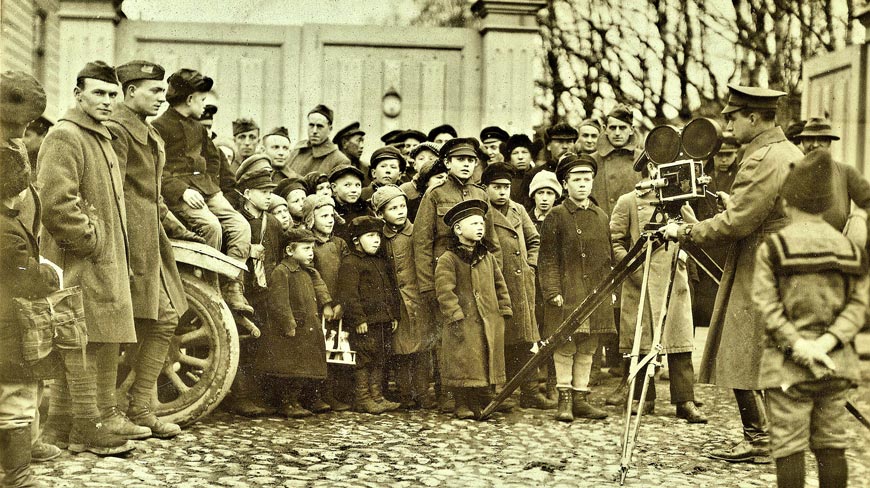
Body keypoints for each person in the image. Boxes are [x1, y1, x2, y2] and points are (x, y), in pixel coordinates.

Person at [660, 85, 804, 463]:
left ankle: (759, 440)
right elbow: (765, 208)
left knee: (737, 347)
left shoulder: (759, 159)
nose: (727, 125)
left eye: (732, 117)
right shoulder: (790, 150)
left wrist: (686, 231)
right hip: (786, 260)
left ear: (754, 118)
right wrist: (733, 205)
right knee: (770, 349)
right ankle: (781, 435)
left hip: (759, 263)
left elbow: (736, 224)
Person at [752, 149, 868, 488]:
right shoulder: (849, 250)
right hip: (836, 363)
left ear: (788, 202)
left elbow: (766, 305)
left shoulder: (774, 248)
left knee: (789, 445)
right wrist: (827, 343)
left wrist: (801, 344)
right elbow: (859, 307)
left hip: (788, 365)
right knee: (832, 444)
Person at [36, 61, 136, 454]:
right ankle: (84, 427)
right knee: (80, 344)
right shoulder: (66, 135)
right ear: (78, 95)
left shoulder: (101, 136)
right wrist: (92, 242)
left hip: (101, 260)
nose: (108, 101)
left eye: (113, 94)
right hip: (78, 260)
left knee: (97, 339)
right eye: (99, 93)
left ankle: (64, 427)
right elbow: (57, 202)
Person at [107, 60, 190, 438]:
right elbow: (113, 192)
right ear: (129, 92)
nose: (161, 97)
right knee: (122, 326)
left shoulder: (145, 131)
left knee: (164, 317)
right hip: (126, 241)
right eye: (154, 90)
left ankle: (139, 407)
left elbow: (152, 195)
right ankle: (110, 411)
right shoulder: (118, 131)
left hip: (149, 238)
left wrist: (179, 227)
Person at [606, 156, 707, 423]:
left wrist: (683, 255)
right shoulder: (627, 201)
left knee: (679, 341)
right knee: (641, 340)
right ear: (647, 169)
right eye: (653, 165)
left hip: (674, 279)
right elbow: (616, 241)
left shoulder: (678, 200)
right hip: (640, 282)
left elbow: (695, 231)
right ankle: (643, 397)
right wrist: (633, 269)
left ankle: (684, 401)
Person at [152, 68, 254, 316]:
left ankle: (232, 285)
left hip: (206, 190)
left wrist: (213, 189)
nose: (204, 105)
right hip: (178, 195)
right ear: (189, 100)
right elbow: (155, 169)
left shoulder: (199, 128)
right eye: (202, 99)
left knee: (241, 226)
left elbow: (213, 160)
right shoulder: (159, 127)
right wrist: (182, 191)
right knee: (210, 226)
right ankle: (208, 288)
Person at [539, 153, 614, 422]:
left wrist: (610, 289)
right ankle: (565, 399)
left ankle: (581, 398)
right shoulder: (556, 216)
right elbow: (547, 259)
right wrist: (552, 291)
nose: (582, 185)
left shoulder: (601, 215)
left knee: (588, 346)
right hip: (567, 292)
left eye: (587, 179)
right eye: (576, 179)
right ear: (565, 183)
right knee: (565, 345)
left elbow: (608, 258)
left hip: (595, 293)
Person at [481, 163, 554, 410]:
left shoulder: (519, 210)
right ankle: (499, 392)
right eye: (496, 187)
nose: (502, 192)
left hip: (521, 284)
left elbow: (534, 240)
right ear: (486, 188)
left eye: (506, 187)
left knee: (525, 339)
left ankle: (529, 391)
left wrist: (530, 265)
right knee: (500, 338)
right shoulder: (483, 211)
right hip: (496, 283)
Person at [434, 200, 512, 419]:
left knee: (485, 356)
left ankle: (484, 395)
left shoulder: (486, 256)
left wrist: (504, 307)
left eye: (482, 224)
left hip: (489, 317)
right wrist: (455, 315)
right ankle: (461, 402)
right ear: (458, 229)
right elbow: (444, 291)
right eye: (474, 223)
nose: (480, 227)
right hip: (463, 321)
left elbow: (499, 283)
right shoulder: (449, 259)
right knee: (463, 362)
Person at [255, 228, 336, 418]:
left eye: (312, 248)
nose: (311, 253)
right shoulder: (282, 272)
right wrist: (288, 323)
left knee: (307, 366)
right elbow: (279, 301)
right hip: (292, 330)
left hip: (308, 327)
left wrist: (326, 304)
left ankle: (305, 399)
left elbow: (319, 286)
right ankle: (287, 403)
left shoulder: (309, 271)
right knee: (289, 369)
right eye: (306, 248)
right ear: (290, 251)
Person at [372, 185, 432, 409]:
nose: (400, 211)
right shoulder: (380, 239)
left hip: (417, 300)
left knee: (422, 349)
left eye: (402, 206)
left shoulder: (416, 233)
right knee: (400, 350)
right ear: (380, 214)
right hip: (396, 304)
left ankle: (423, 393)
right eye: (393, 208)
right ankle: (406, 393)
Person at [337, 216, 402, 414]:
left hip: (382, 320)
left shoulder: (379, 262)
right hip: (365, 323)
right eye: (371, 236)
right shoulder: (351, 263)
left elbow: (390, 291)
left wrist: (393, 316)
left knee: (380, 357)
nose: (376, 240)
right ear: (356, 240)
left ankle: (377, 396)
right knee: (364, 359)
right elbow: (349, 294)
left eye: (378, 237)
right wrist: (358, 319)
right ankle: (363, 398)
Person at [303, 194, 350, 411]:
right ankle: (314, 396)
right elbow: (312, 275)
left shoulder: (339, 244)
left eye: (331, 215)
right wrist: (326, 303)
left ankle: (333, 395)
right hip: (317, 305)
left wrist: (341, 302)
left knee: (337, 351)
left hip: (338, 305)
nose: (330, 220)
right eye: (323, 216)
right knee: (316, 351)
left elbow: (347, 274)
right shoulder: (308, 245)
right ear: (311, 218)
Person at [791, 117, 870, 242]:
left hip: (836, 247)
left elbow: (868, 202)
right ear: (802, 142)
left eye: (822, 139)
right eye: (809, 139)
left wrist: (858, 220)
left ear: (829, 143)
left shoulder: (846, 172)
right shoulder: (792, 170)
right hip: (799, 245)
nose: (815, 144)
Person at [528, 170, 562, 401]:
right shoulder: (525, 219)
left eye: (550, 193)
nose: (545, 198)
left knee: (553, 334)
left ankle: (553, 382)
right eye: (540, 193)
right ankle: (530, 382)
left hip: (553, 285)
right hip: (531, 285)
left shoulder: (560, 219)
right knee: (532, 334)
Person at [590, 104, 643, 217]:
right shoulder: (592, 161)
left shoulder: (643, 159)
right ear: (605, 129)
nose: (617, 133)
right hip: (601, 226)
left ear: (631, 130)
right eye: (613, 128)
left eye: (622, 127)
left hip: (634, 228)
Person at [518, 123, 577, 209]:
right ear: (549, 146)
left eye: (569, 142)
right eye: (559, 142)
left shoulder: (581, 173)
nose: (565, 146)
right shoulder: (533, 175)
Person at [286, 104, 350, 176]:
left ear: (330, 129)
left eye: (320, 126)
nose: (314, 131)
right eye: (311, 125)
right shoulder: (296, 151)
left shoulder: (340, 160)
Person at [399, 142, 441, 221]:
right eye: (421, 159)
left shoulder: (445, 185)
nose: (426, 162)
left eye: (431, 159)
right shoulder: (405, 189)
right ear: (414, 165)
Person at [329, 164, 369, 243]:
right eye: (347, 185)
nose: (354, 190)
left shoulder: (364, 209)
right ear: (334, 187)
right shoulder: (329, 210)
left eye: (357, 185)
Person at [503, 134, 535, 203]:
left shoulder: (538, 176)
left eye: (524, 152)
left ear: (531, 156)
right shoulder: (505, 180)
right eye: (515, 153)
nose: (520, 157)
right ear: (509, 158)